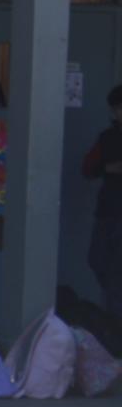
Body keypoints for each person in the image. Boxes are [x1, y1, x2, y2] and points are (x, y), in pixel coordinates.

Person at [81, 84, 122, 316]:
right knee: (97, 259)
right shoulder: (107, 138)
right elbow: (88, 168)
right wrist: (108, 168)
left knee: (117, 268)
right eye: (117, 109)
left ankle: (115, 321)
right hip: (108, 209)